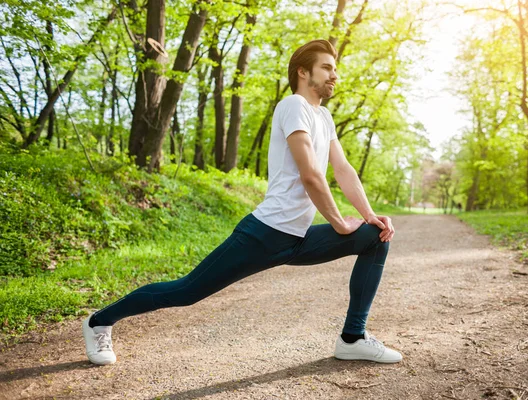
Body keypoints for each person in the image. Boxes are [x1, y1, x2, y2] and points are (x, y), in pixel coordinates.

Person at [83, 39, 401, 365]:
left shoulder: (325, 118)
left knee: (376, 237)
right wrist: (338, 221)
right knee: (186, 291)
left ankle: (353, 337)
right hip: (264, 235)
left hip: (300, 238)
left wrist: (370, 216)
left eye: (335, 69)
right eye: (327, 68)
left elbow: (343, 169)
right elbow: (311, 175)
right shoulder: (293, 105)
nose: (335, 75)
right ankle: (99, 321)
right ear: (304, 72)